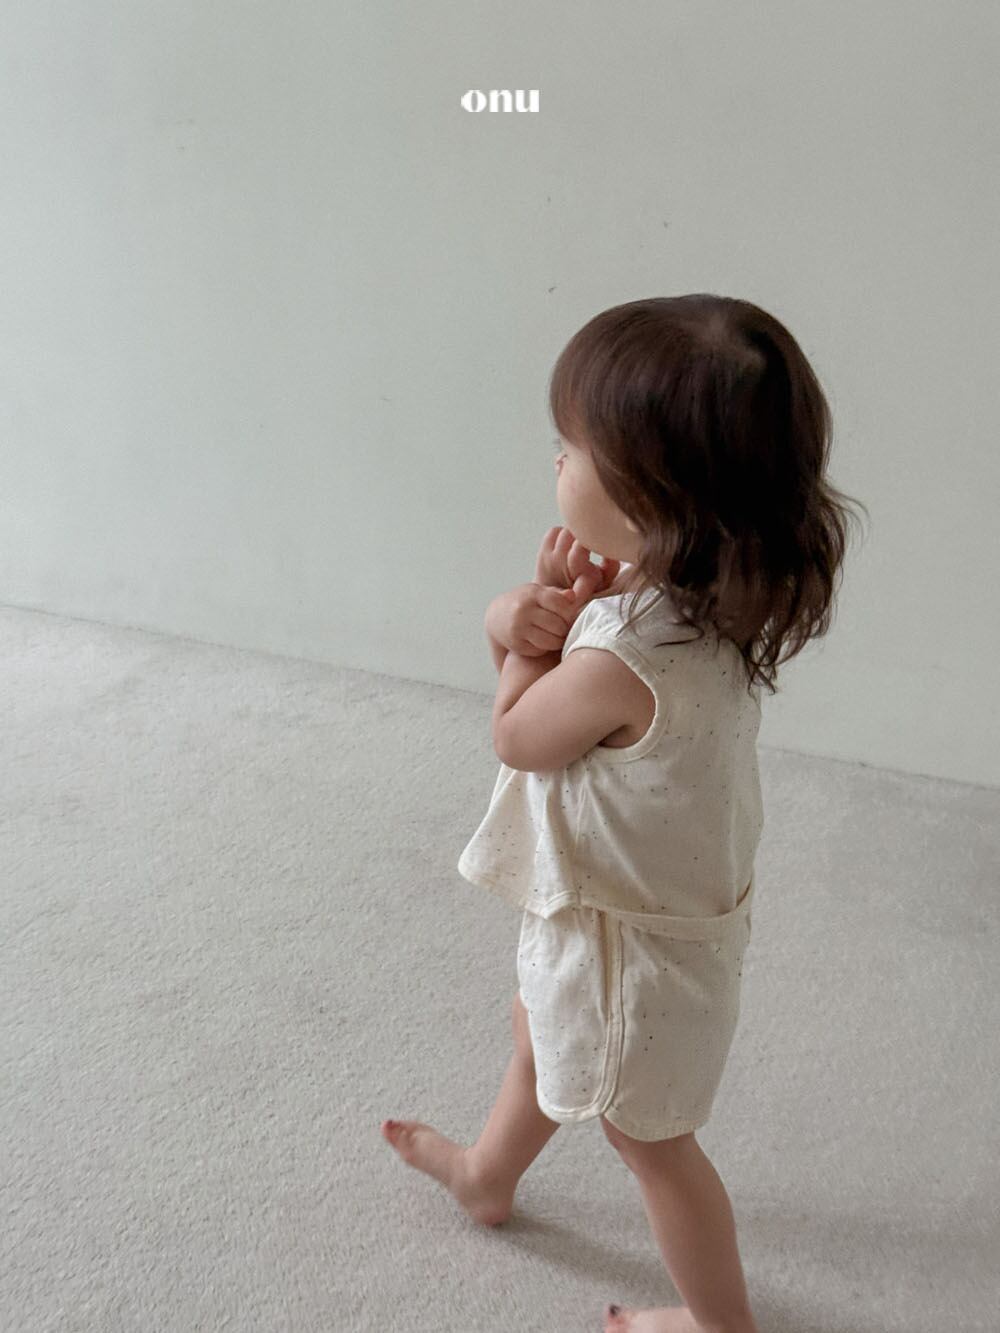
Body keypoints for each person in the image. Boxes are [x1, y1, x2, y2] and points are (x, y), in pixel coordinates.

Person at [381, 295, 867, 1333]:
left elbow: (518, 734)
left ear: (655, 498)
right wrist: (568, 610)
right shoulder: (708, 598)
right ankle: (486, 1175)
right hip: (653, 914)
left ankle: (719, 1324)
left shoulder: (618, 659)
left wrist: (512, 629)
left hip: (629, 953)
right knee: (534, 1032)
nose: (555, 459)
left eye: (571, 448)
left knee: (651, 1143)